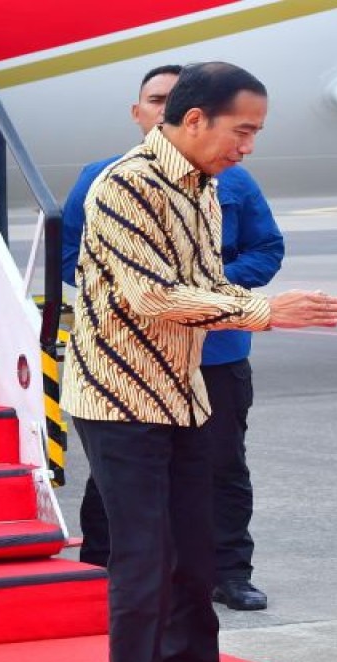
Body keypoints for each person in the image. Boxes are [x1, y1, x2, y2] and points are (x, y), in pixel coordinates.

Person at [62, 61, 337, 662]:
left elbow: (209, 278)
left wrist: (270, 302)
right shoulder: (126, 185)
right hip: (119, 398)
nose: (248, 146)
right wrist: (265, 312)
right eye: (242, 130)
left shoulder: (203, 184)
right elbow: (151, 294)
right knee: (144, 562)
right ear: (194, 121)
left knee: (195, 555)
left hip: (185, 391)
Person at [63, 64, 283, 612]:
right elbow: (72, 259)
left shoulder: (227, 181)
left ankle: (230, 571)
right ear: (140, 112)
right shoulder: (106, 179)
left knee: (222, 466)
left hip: (219, 348)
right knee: (119, 484)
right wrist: (152, 290)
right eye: (154, 100)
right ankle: (100, 564)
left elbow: (266, 249)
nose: (163, 109)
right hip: (135, 362)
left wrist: (216, 297)